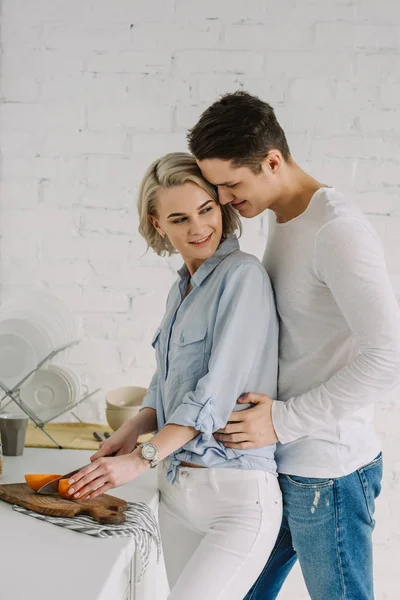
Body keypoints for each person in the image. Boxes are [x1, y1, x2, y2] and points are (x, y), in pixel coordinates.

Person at [187, 90, 400, 600]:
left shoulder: (336, 231)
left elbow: (387, 356)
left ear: (273, 161)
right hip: (279, 466)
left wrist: (282, 420)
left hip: (327, 475)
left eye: (230, 184)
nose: (222, 199)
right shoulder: (285, 220)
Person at [67, 152, 282, 600]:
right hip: (178, 490)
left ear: (221, 206)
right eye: (180, 218)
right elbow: (165, 383)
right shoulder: (181, 289)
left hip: (236, 497)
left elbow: (214, 394)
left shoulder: (243, 276)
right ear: (158, 223)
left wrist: (139, 458)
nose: (199, 228)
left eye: (207, 210)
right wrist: (130, 431)